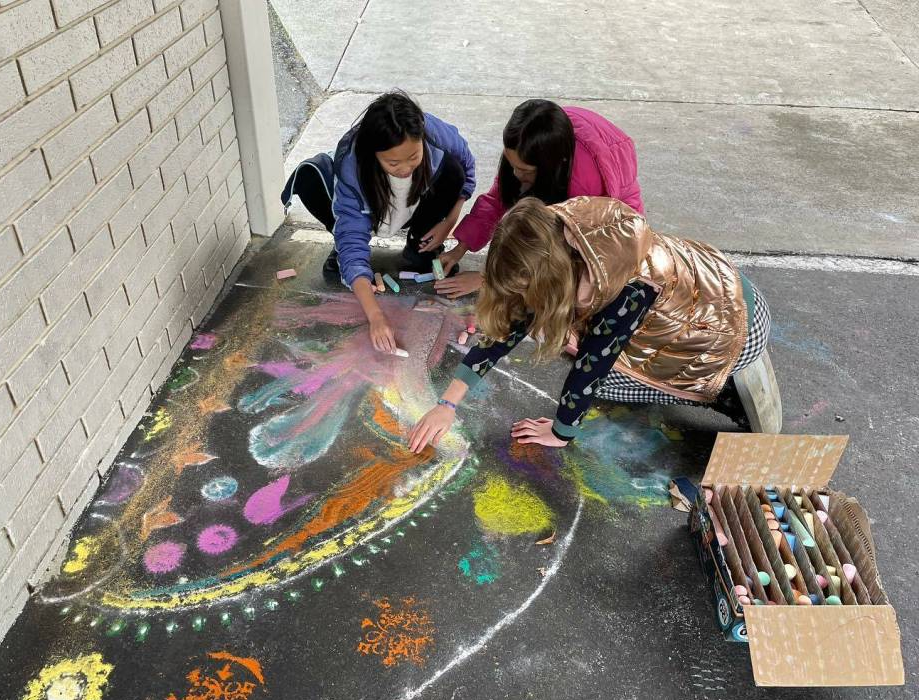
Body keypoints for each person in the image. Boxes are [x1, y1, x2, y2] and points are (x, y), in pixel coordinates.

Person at [408, 196, 782, 453]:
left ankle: (728, 392)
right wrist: (447, 403)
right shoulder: (555, 236)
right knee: (586, 356)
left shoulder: (624, 290)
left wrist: (560, 431)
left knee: (611, 385)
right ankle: (728, 374)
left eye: (526, 289)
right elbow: (510, 325)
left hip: (731, 330)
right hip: (722, 286)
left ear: (549, 279)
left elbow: (592, 366)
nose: (523, 298)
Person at [281, 92, 476, 353]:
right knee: (311, 178)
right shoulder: (352, 164)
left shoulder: (436, 134)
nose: (406, 168)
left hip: (416, 204)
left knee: (453, 170)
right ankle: (344, 258)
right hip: (374, 208)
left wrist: (449, 222)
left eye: (414, 157)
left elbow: (467, 173)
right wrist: (375, 316)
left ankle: (421, 247)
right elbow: (352, 235)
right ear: (373, 154)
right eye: (393, 162)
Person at [434, 99, 643, 300]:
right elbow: (497, 200)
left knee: (581, 288)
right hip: (571, 154)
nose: (515, 174)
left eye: (525, 170)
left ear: (551, 166)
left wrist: (488, 280)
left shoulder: (586, 187)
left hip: (609, 215)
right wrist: (459, 248)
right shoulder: (528, 144)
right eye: (511, 163)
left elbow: (563, 253)